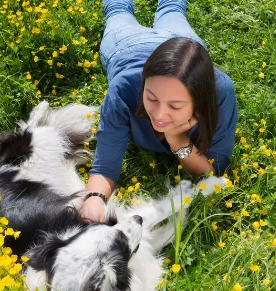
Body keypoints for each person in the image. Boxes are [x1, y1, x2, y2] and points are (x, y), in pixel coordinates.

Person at [82, 0, 238, 221]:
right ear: (143, 84)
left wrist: (177, 138)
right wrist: (94, 199)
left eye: (175, 106)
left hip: (184, 51)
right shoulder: (125, 89)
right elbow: (104, 167)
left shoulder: (220, 93)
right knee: (117, 9)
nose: (159, 114)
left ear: (199, 100)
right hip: (127, 46)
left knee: (172, 7)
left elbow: (211, 172)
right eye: (151, 98)